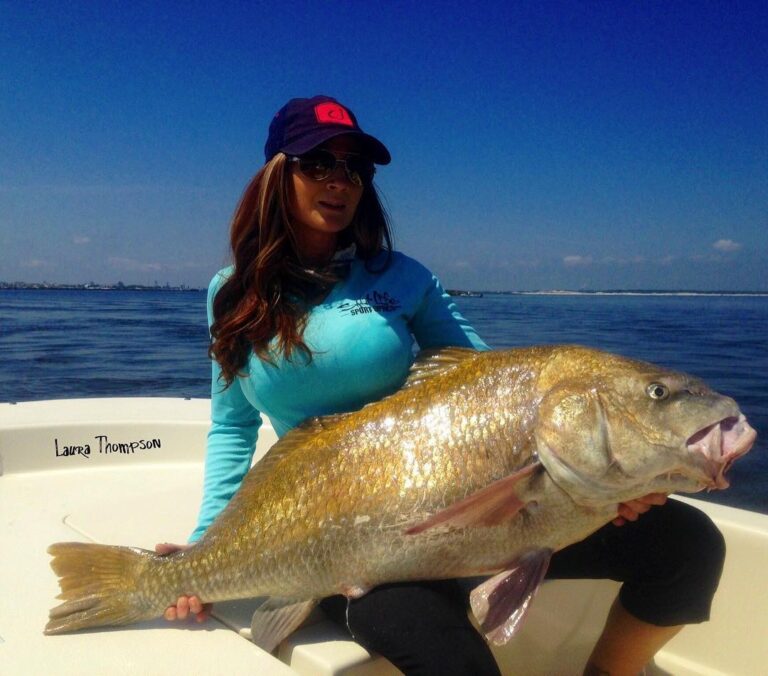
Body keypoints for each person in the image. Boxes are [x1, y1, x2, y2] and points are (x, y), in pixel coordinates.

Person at [157, 95, 726, 676]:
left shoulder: (403, 278)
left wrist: (617, 484)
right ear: (278, 174)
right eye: (318, 163)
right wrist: (203, 549)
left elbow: (491, 383)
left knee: (691, 546)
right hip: (347, 538)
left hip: (480, 511)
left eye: (354, 168)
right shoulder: (231, 294)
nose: (339, 181)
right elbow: (232, 424)